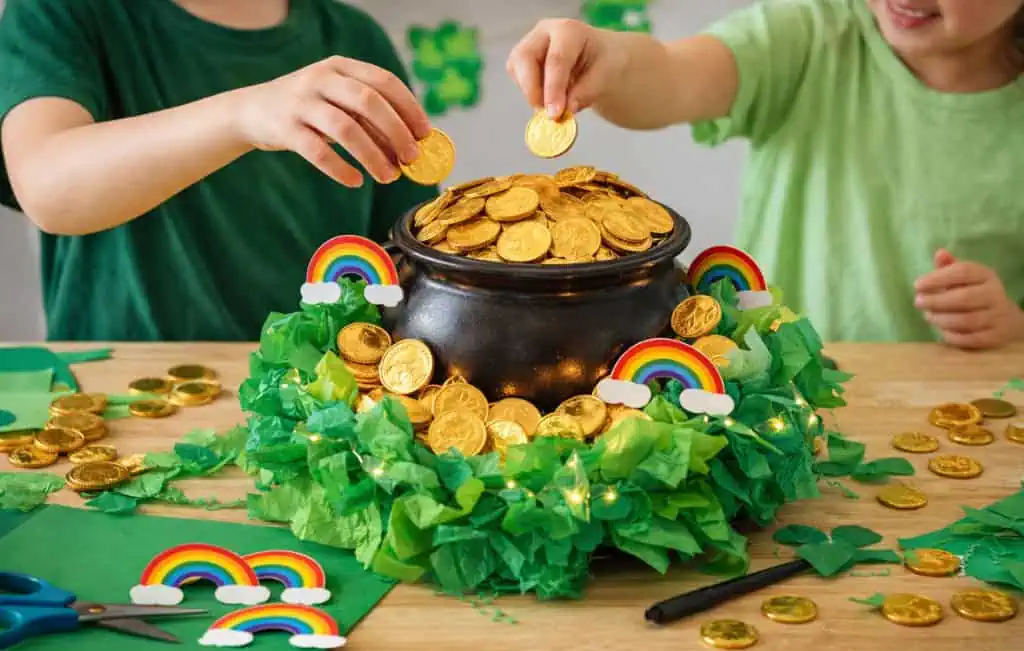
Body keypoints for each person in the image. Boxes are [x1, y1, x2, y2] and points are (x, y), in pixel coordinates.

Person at [508, 0, 1024, 349]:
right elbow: (671, 76)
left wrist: (1013, 326)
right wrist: (613, 57)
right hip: (778, 400)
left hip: (953, 424)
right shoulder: (808, 33)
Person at [0, 0, 437, 342]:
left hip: (322, 404)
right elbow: (47, 186)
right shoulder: (56, 11)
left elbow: (415, 257)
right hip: (119, 398)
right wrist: (243, 114)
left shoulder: (356, 39)